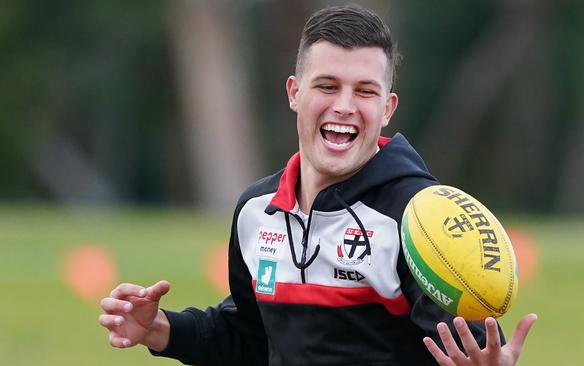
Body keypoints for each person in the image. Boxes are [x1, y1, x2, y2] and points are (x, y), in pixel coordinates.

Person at [98, 4, 537, 365]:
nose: (344, 106)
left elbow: (464, 348)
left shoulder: (418, 218)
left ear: (387, 108)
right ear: (294, 92)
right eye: (327, 86)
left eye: (365, 91)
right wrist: (161, 330)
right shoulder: (257, 210)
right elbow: (251, 338)